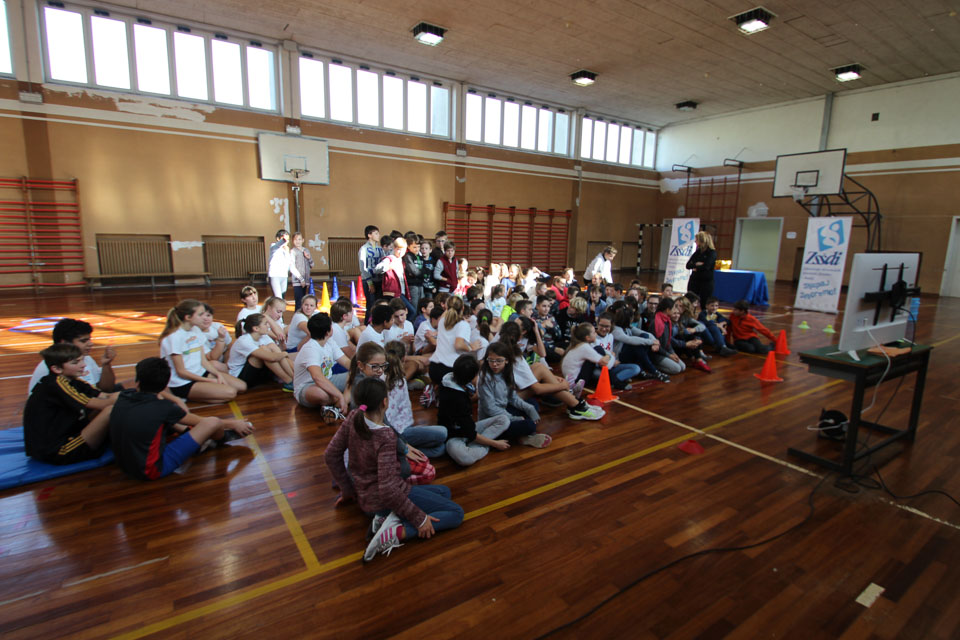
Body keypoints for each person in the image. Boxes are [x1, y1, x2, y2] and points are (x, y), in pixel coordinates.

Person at [325, 377, 464, 563]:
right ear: (385, 402)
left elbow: (330, 455)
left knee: (444, 492)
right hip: (382, 500)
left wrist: (347, 489)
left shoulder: (353, 416)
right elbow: (388, 490)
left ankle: (385, 518)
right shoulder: (385, 436)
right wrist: (419, 519)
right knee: (456, 513)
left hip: (365, 496)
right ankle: (396, 531)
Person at [109, 357, 254, 480]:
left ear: (137, 381)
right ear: (165, 385)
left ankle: (203, 440)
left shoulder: (124, 396)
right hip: (151, 470)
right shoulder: (163, 408)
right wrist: (233, 423)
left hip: (123, 464)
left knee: (165, 421)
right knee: (212, 422)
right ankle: (221, 439)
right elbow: (200, 421)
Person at [23, 343, 119, 464]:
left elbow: (106, 395)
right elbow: (102, 404)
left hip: (64, 435)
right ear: (57, 369)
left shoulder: (72, 380)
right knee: (110, 410)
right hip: (56, 451)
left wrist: (128, 394)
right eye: (75, 363)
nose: (83, 365)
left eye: (82, 360)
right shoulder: (56, 384)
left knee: (115, 400)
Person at [160, 299, 247, 402]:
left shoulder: (196, 330)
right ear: (188, 317)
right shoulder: (174, 337)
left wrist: (217, 374)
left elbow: (203, 361)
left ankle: (203, 392)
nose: (205, 317)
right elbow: (181, 372)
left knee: (242, 387)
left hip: (200, 373)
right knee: (231, 393)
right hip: (183, 382)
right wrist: (208, 381)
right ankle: (180, 395)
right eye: (200, 314)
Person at [437, 354, 512, 467]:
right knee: (464, 458)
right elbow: (470, 433)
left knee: (504, 419)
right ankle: (482, 446)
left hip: (468, 428)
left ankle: (476, 444)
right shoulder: (458, 399)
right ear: (472, 378)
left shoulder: (448, 379)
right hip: (454, 435)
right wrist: (495, 444)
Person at [478, 342, 551, 449]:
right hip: (494, 420)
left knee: (532, 404)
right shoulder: (485, 378)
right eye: (491, 360)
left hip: (504, 410)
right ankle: (525, 435)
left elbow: (513, 398)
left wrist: (529, 409)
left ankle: (523, 435)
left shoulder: (507, 372)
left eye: (499, 360)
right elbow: (490, 409)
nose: (494, 364)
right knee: (529, 425)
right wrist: (514, 418)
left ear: (506, 360)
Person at [382, 341, 448, 458]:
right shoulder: (399, 382)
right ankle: (401, 453)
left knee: (440, 446)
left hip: (394, 433)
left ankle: (401, 451)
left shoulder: (383, 379)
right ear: (404, 358)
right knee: (442, 437)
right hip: (398, 433)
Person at [27, 318, 118, 393]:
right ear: (65, 343)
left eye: (89, 339)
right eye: (83, 341)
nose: (91, 344)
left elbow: (106, 389)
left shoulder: (87, 359)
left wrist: (106, 364)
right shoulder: (47, 367)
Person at [293, 313, 351, 415]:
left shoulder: (329, 342)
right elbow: (317, 377)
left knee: (356, 376)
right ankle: (342, 400)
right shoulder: (311, 348)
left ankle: (339, 404)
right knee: (321, 394)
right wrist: (339, 395)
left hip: (328, 379)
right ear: (328, 332)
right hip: (307, 387)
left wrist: (361, 369)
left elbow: (346, 362)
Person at [227, 313, 294, 391]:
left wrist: (282, 352)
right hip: (240, 377)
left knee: (273, 350)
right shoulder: (244, 341)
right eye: (265, 324)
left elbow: (277, 351)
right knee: (265, 351)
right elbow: (272, 357)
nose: (268, 326)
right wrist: (285, 353)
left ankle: (294, 378)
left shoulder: (263, 336)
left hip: (257, 372)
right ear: (256, 328)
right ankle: (288, 381)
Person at [374, 236, 415, 314]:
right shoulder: (390, 259)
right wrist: (388, 266)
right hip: (393, 293)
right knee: (411, 311)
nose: (400, 252)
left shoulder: (401, 260)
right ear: (394, 248)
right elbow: (376, 269)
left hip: (401, 291)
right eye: (398, 249)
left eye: (403, 250)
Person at [358, 225, 384, 323]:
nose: (378, 235)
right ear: (369, 235)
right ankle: (367, 324)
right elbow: (363, 267)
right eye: (376, 233)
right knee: (371, 304)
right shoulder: (364, 249)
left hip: (379, 280)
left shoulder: (380, 249)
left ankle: (377, 323)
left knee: (378, 304)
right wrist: (369, 282)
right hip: (369, 281)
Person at [268, 229, 300, 301]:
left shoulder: (287, 250)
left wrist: (299, 277)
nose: (286, 241)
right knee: (278, 298)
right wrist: (284, 240)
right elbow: (279, 244)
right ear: (278, 238)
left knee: (282, 298)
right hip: (274, 276)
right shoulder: (274, 246)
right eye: (284, 239)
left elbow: (290, 264)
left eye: (288, 240)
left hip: (284, 276)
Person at [686, 230, 717, 304]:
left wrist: (696, 267)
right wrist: (696, 264)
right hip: (694, 280)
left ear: (702, 241)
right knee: (690, 300)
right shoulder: (698, 252)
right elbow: (688, 265)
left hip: (706, 282)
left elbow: (707, 266)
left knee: (704, 302)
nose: (695, 241)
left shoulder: (712, 253)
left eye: (697, 240)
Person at [290, 231, 315, 311]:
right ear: (292, 241)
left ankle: (303, 316)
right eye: (295, 239)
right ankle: (297, 317)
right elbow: (292, 267)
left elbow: (312, 265)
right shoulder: (293, 251)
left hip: (306, 281)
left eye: (299, 239)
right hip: (298, 281)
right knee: (299, 302)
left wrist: (309, 258)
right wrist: (301, 279)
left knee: (304, 302)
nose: (298, 241)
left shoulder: (306, 250)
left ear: (303, 240)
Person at [402, 233, 426, 312]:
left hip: (420, 283)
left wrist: (422, 273)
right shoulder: (408, 256)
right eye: (414, 247)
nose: (417, 249)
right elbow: (414, 271)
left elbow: (424, 269)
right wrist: (422, 273)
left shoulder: (419, 256)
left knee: (421, 304)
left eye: (418, 247)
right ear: (408, 247)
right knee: (414, 305)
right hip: (412, 284)